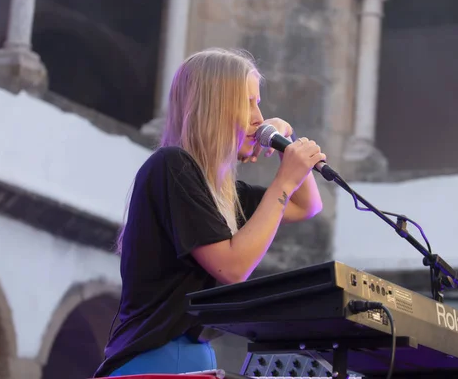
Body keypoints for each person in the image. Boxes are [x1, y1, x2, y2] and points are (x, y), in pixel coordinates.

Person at [93, 48, 326, 377]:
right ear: (214, 106)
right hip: (155, 359)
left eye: (258, 103)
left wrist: (286, 141)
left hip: (194, 357)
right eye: (247, 103)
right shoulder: (172, 167)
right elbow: (232, 268)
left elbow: (307, 206)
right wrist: (285, 178)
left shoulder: (223, 193)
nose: (259, 117)